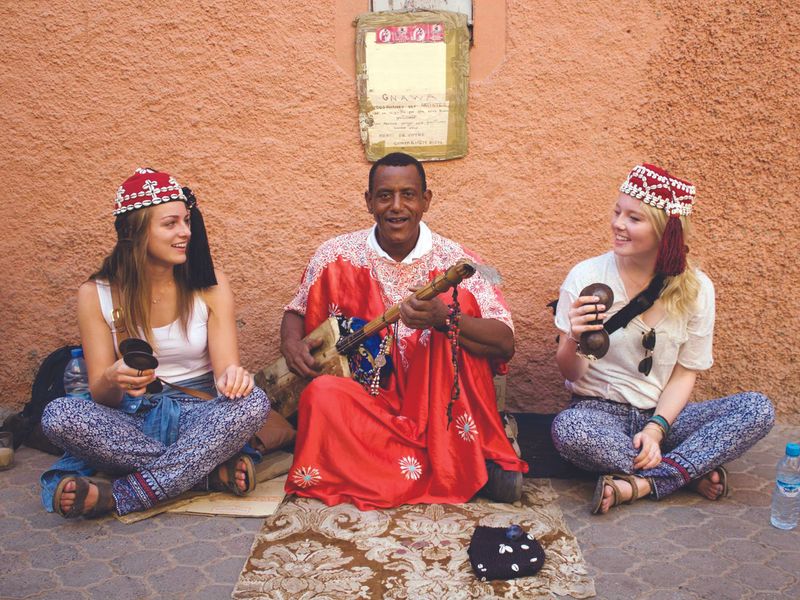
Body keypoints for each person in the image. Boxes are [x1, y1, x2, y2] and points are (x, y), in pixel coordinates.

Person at [280, 152, 528, 510]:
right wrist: (291, 344)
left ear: (426, 201)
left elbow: (505, 343)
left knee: (463, 311)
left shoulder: (458, 262)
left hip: (440, 409)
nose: (396, 207)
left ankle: (436, 461)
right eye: (385, 196)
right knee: (320, 396)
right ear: (369, 202)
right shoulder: (333, 255)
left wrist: (445, 318)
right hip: (371, 408)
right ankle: (463, 467)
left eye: (408, 195)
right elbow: (296, 311)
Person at [39, 168, 270, 518]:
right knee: (59, 415)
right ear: (135, 232)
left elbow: (226, 374)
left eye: (187, 221)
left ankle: (120, 495)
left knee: (252, 402)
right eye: (170, 224)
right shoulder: (95, 294)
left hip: (199, 415)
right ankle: (202, 474)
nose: (185, 233)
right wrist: (112, 378)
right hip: (131, 417)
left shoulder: (211, 285)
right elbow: (102, 396)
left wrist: (235, 378)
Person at [551, 163, 774, 514]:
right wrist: (572, 337)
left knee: (757, 408)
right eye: (617, 212)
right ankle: (687, 470)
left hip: (665, 417)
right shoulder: (587, 276)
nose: (618, 225)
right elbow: (571, 374)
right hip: (598, 415)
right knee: (570, 430)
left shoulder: (697, 288)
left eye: (634, 218)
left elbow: (686, 372)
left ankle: (641, 483)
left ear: (665, 232)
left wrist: (656, 429)